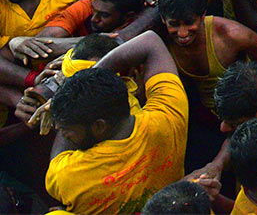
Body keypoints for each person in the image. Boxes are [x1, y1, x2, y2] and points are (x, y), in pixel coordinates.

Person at [41, 31, 188, 214]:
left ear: (99, 126)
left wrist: (75, 84)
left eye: (66, 129)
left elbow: (58, 158)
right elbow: (151, 41)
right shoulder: (169, 115)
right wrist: (88, 81)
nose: (62, 133)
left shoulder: (71, 175)